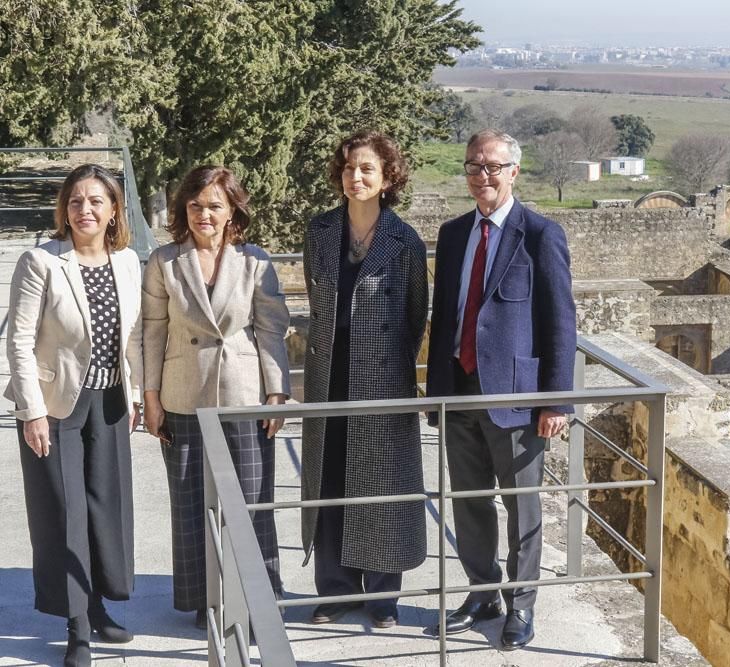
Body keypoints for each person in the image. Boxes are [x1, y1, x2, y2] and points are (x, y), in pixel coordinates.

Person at [425, 129, 576, 651]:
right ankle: (482, 592)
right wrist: (435, 394)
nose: (481, 176)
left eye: (491, 167)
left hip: (515, 398)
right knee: (468, 501)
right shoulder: (451, 234)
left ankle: (522, 604)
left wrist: (556, 400)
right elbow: (445, 314)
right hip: (459, 389)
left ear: (514, 171)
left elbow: (560, 321)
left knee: (522, 507)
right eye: (472, 167)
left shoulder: (540, 234)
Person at [6, 164, 143, 667]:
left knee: (107, 510)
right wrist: (32, 411)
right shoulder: (41, 262)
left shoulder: (127, 261)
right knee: (65, 515)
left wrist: (137, 397)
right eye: (75, 201)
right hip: (56, 407)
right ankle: (77, 625)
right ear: (64, 209)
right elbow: (18, 342)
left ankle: (101, 604)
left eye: (96, 201)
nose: (85, 209)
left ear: (113, 211)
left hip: (109, 403)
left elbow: (132, 336)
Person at [141, 165, 290, 630]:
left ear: (232, 212)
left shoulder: (255, 260)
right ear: (184, 209)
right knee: (190, 503)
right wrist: (151, 397)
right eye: (195, 205)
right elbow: (151, 329)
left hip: (243, 395)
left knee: (249, 500)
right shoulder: (164, 260)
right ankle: (205, 600)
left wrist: (277, 390)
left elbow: (271, 329)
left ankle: (256, 595)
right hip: (183, 394)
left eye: (214, 206)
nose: (204, 214)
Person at [300, 130, 428, 629]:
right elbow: (316, 298)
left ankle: (382, 596)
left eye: (368, 169)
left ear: (387, 178)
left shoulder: (405, 242)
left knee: (381, 484)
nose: (357, 177)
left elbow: (416, 315)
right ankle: (335, 590)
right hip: (328, 373)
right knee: (330, 478)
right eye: (351, 168)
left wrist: (390, 365)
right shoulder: (320, 232)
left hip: (382, 381)